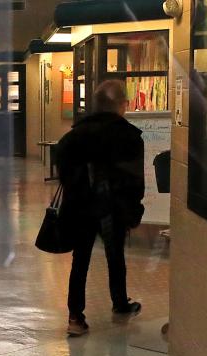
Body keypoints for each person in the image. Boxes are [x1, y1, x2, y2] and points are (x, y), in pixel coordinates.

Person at [55, 80, 146, 336]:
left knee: (80, 260)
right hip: (113, 207)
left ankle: (75, 317)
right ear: (120, 104)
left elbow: (62, 161)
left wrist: (75, 189)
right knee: (115, 256)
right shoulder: (129, 136)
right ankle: (120, 303)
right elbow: (135, 179)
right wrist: (134, 208)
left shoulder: (76, 133)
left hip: (81, 206)